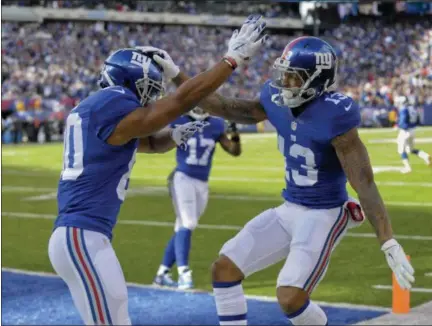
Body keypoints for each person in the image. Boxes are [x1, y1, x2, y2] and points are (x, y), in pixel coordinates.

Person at [172, 36, 414, 326]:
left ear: (317, 80)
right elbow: (221, 106)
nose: (284, 82)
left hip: (325, 213)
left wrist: (388, 242)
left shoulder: (335, 114)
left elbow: (364, 182)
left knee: (290, 297)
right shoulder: (274, 99)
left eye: (293, 77)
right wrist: (175, 74)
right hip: (290, 208)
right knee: (224, 270)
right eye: (283, 73)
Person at [47, 15, 267, 325]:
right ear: (128, 81)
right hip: (80, 235)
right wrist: (230, 60)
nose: (150, 96)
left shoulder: (97, 111)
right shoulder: (113, 101)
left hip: (89, 236)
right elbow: (180, 100)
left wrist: (175, 136)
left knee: (118, 311)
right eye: (147, 87)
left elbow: (147, 142)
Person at [154, 107, 241, 289]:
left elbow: (234, 150)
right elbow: (157, 138)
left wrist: (235, 135)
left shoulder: (216, 125)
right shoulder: (179, 120)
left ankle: (162, 273)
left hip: (202, 183)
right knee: (188, 223)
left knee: (183, 227)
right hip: (182, 178)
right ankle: (184, 273)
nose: (202, 106)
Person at [395, 96, 430, 174]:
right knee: (410, 150)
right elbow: (417, 120)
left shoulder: (404, 109)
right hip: (412, 131)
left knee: (401, 150)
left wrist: (398, 125)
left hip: (405, 131)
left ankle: (407, 167)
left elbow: (403, 122)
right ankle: (426, 156)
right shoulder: (412, 108)